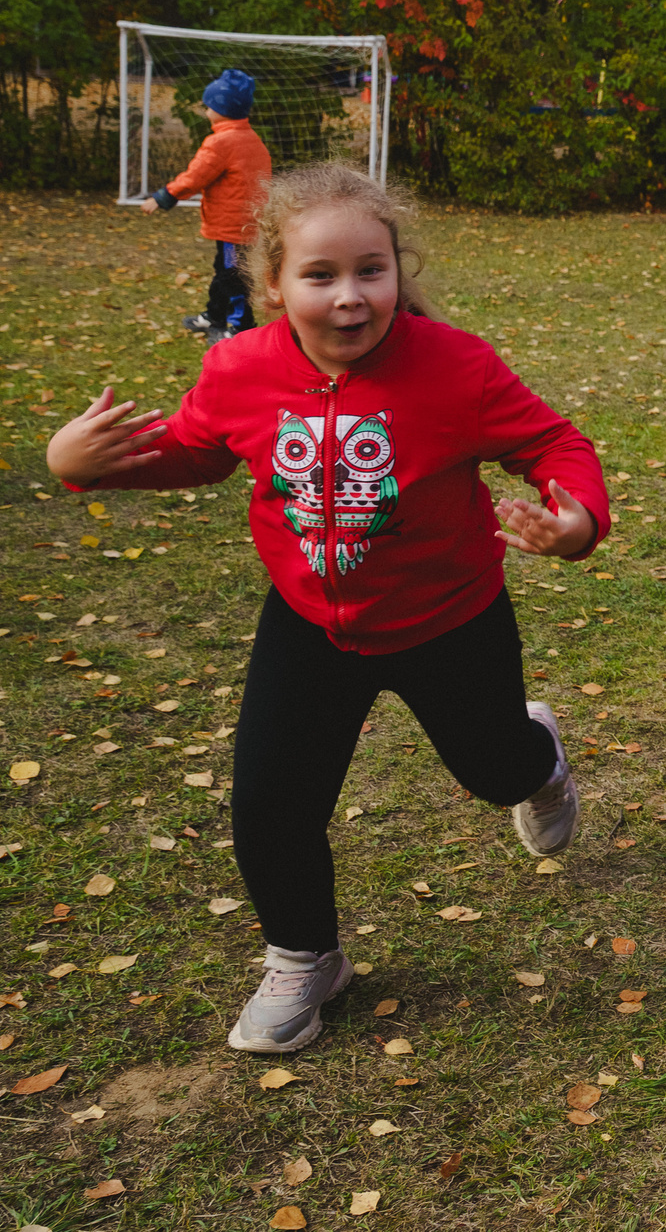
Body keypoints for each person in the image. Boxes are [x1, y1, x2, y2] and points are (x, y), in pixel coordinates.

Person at [45, 163, 610, 1054]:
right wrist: (86, 463)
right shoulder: (237, 368)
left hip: (449, 618)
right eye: (319, 275)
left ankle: (535, 758)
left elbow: (550, 441)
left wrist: (574, 519)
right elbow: (201, 451)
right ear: (273, 283)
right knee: (270, 801)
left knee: (493, 770)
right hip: (311, 622)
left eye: (370, 271)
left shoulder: (454, 364)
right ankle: (306, 956)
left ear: (398, 269)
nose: (349, 298)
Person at [151, 67, 273, 343]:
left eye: (208, 106)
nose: (206, 110)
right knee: (224, 270)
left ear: (221, 108)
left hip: (233, 228)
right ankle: (214, 315)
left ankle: (240, 324)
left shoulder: (221, 142)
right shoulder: (250, 138)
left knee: (232, 275)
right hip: (243, 223)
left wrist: (163, 197)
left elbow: (194, 178)